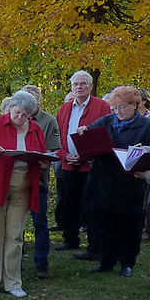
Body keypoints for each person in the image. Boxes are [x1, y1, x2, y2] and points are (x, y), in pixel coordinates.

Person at [80, 86, 150, 276]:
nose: (118, 112)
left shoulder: (147, 126)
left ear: (135, 105)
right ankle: (106, 260)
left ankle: (127, 262)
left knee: (129, 223)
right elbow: (89, 135)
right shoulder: (106, 121)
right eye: (115, 108)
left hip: (130, 182)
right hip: (103, 179)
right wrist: (85, 133)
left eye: (122, 108)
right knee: (104, 221)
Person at [0, 91, 48, 298]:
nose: (20, 118)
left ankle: (13, 282)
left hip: (23, 187)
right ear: (10, 108)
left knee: (15, 236)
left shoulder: (35, 129)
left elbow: (42, 154)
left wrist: (43, 161)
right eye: (17, 112)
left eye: (26, 115)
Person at [54, 71, 111, 258]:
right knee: (69, 203)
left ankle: (94, 246)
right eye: (75, 84)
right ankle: (70, 239)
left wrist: (86, 155)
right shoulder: (64, 109)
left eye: (82, 84)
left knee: (92, 205)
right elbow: (59, 137)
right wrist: (64, 155)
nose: (78, 87)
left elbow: (105, 135)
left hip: (91, 165)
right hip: (69, 163)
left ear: (90, 86)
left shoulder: (101, 106)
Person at [21, 85, 61, 279]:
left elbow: (54, 151)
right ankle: (15, 261)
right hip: (18, 180)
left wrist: (43, 159)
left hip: (40, 181)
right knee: (16, 224)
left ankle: (41, 263)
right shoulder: (16, 119)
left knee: (40, 222)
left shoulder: (48, 121)